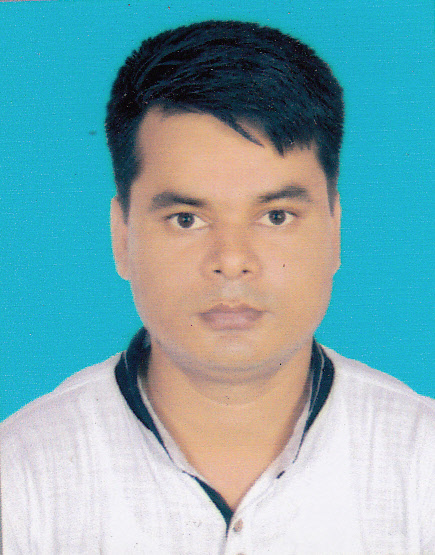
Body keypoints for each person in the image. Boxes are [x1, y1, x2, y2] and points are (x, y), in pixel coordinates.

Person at [1, 20, 434, 554]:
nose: (232, 262)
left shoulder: (422, 465)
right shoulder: (20, 478)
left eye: (276, 216)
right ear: (122, 237)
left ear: (334, 229)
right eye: (186, 219)